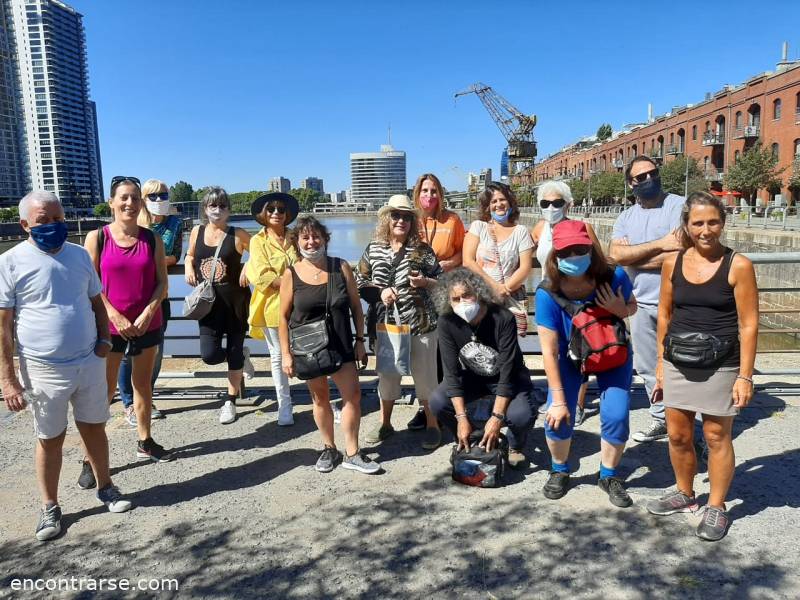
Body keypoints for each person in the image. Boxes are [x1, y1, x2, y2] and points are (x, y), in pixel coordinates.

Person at [0, 191, 132, 541]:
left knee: (94, 428)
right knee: (50, 438)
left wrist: (105, 340)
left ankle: (106, 487)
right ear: (25, 224)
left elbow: (97, 302)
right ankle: (49, 507)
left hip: (89, 359)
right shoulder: (11, 261)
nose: (54, 226)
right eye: (44, 220)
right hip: (42, 368)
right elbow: (3, 326)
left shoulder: (78, 255)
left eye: (58, 219)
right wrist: (8, 379)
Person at [647, 192, 758, 541]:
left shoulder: (738, 265)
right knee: (678, 435)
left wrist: (744, 375)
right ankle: (684, 492)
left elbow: (749, 323)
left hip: (721, 363)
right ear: (686, 225)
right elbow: (664, 315)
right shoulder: (672, 263)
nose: (706, 229)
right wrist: (661, 367)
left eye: (713, 222)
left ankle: (717, 506)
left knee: (715, 436)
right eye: (698, 222)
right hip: (678, 359)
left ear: (722, 223)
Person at [536, 220, 638, 507]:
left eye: (580, 249)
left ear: (591, 248)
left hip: (611, 352)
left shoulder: (613, 276)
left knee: (617, 414)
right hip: (569, 358)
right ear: (555, 255)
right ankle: (559, 469)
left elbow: (632, 305)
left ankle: (608, 474)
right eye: (566, 252)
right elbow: (549, 350)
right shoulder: (548, 292)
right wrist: (557, 398)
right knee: (557, 415)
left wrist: (620, 309)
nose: (574, 256)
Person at [84, 176, 172, 477]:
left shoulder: (152, 240)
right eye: (124, 197)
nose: (130, 203)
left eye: (135, 198)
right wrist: (114, 316)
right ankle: (89, 458)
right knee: (103, 392)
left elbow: (162, 283)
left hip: (147, 324)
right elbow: (90, 285)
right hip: (109, 328)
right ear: (112, 202)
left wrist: (149, 311)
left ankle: (145, 441)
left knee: (143, 387)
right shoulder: (98, 238)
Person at [278, 217, 379, 474]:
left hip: (342, 342)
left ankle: (353, 452)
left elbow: (357, 307)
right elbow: (282, 317)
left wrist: (360, 340)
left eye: (316, 237)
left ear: (325, 239)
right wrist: (286, 355)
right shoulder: (291, 274)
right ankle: (328, 448)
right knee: (320, 398)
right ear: (297, 242)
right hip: (308, 347)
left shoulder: (340, 267)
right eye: (305, 238)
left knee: (353, 396)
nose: (312, 242)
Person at [355, 194, 443, 449]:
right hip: (386, 326)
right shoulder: (373, 248)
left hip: (421, 324)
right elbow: (359, 282)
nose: (401, 220)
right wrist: (379, 291)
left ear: (412, 221)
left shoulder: (423, 250)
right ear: (387, 218)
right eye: (396, 215)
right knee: (388, 377)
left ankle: (432, 425)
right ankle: (386, 424)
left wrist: (425, 282)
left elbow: (443, 281)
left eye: (406, 216)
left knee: (426, 379)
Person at [609, 156, 684, 443]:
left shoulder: (678, 206)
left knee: (683, 365)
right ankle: (660, 419)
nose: (648, 180)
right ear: (630, 183)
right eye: (640, 177)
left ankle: (693, 427)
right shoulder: (626, 217)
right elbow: (616, 255)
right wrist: (660, 245)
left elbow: (681, 256)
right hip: (639, 303)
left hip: (678, 302)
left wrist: (636, 257)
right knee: (647, 365)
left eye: (652, 173)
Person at [429, 268, 535, 467]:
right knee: (437, 401)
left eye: (467, 295)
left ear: (478, 293)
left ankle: (515, 443)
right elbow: (451, 374)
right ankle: (472, 437)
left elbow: (507, 372)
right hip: (475, 376)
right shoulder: (446, 322)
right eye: (456, 299)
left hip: (510, 376)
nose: (462, 303)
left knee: (521, 415)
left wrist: (496, 418)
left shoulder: (502, 318)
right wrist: (461, 418)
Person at [531, 180, 602, 425]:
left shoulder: (581, 227)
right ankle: (557, 397)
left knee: (579, 351)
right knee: (554, 351)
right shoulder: (540, 228)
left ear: (568, 204)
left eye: (557, 202)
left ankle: (579, 403)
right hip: (550, 298)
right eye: (545, 203)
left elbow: (599, 261)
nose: (551, 207)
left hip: (578, 298)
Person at [117, 179, 183, 427]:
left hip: (158, 297)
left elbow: (175, 255)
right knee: (126, 353)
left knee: (154, 352)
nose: (159, 200)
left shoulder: (176, 224)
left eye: (163, 195)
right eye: (153, 196)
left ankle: (146, 397)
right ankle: (128, 403)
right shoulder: (134, 222)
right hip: (128, 298)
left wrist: (152, 260)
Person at [184, 187, 251, 425]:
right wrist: (188, 265)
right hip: (209, 305)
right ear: (205, 209)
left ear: (229, 210)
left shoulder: (239, 234)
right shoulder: (197, 231)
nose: (218, 210)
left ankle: (230, 401)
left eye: (222, 206)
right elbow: (191, 255)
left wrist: (249, 267)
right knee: (209, 355)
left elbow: (260, 255)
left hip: (236, 302)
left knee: (232, 353)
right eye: (213, 206)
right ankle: (241, 357)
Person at [407, 173, 466, 430]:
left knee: (444, 351)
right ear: (417, 194)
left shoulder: (452, 220)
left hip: (444, 291)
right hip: (417, 295)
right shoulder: (410, 221)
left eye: (434, 191)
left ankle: (448, 405)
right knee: (422, 353)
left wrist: (448, 263)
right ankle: (426, 407)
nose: (429, 195)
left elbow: (465, 251)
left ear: (440, 194)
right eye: (425, 191)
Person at [246, 192, 299, 426]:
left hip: (300, 305)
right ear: (263, 214)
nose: (276, 213)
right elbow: (263, 276)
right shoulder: (257, 241)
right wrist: (295, 281)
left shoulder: (296, 237)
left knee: (310, 351)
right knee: (278, 356)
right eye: (271, 209)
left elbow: (309, 262)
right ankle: (284, 405)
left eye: (280, 209)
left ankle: (323, 399)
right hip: (272, 307)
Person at [462, 181, 533, 333]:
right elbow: (468, 261)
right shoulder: (478, 227)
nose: (499, 204)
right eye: (493, 201)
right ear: (487, 206)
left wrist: (504, 289)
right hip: (480, 297)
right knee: (482, 346)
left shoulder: (521, 231)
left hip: (509, 298)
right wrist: (494, 287)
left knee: (508, 343)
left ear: (510, 202)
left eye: (502, 200)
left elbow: (525, 267)